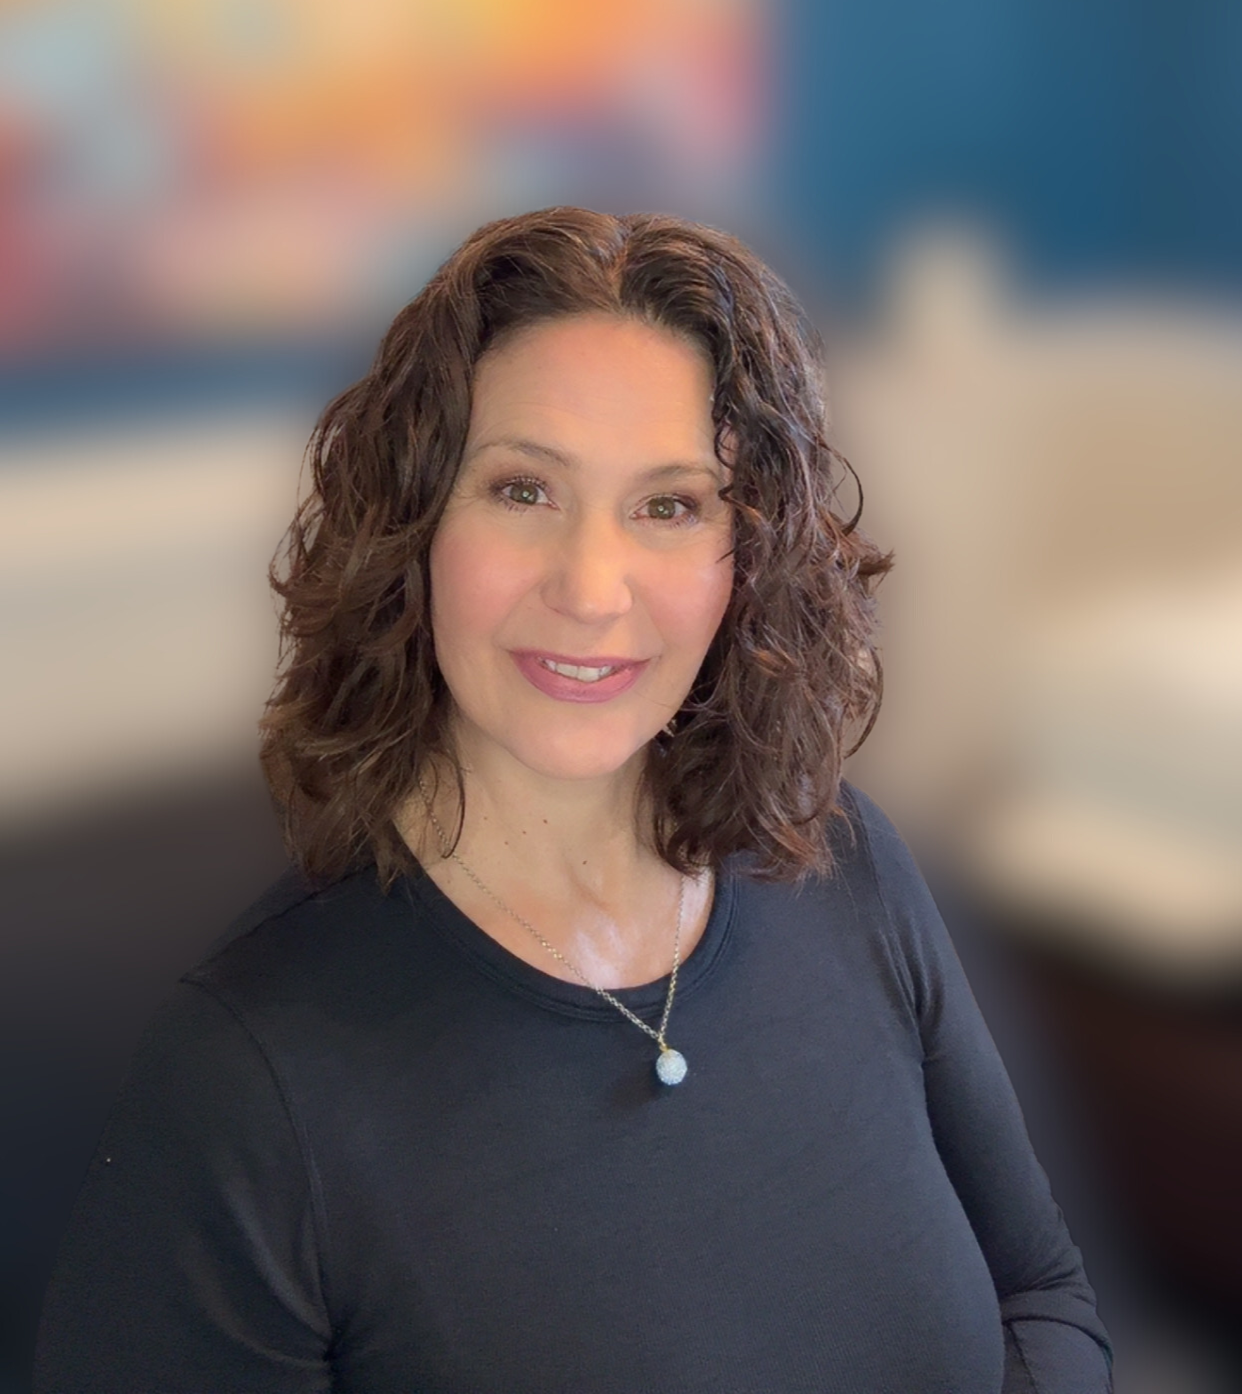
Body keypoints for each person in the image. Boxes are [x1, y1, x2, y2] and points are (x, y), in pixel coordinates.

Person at [34, 207, 1112, 1393]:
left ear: (746, 562)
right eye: (523, 491)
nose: (593, 588)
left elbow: (1044, 1297)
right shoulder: (246, 1084)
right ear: (415, 528)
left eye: (670, 506)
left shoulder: (848, 865)